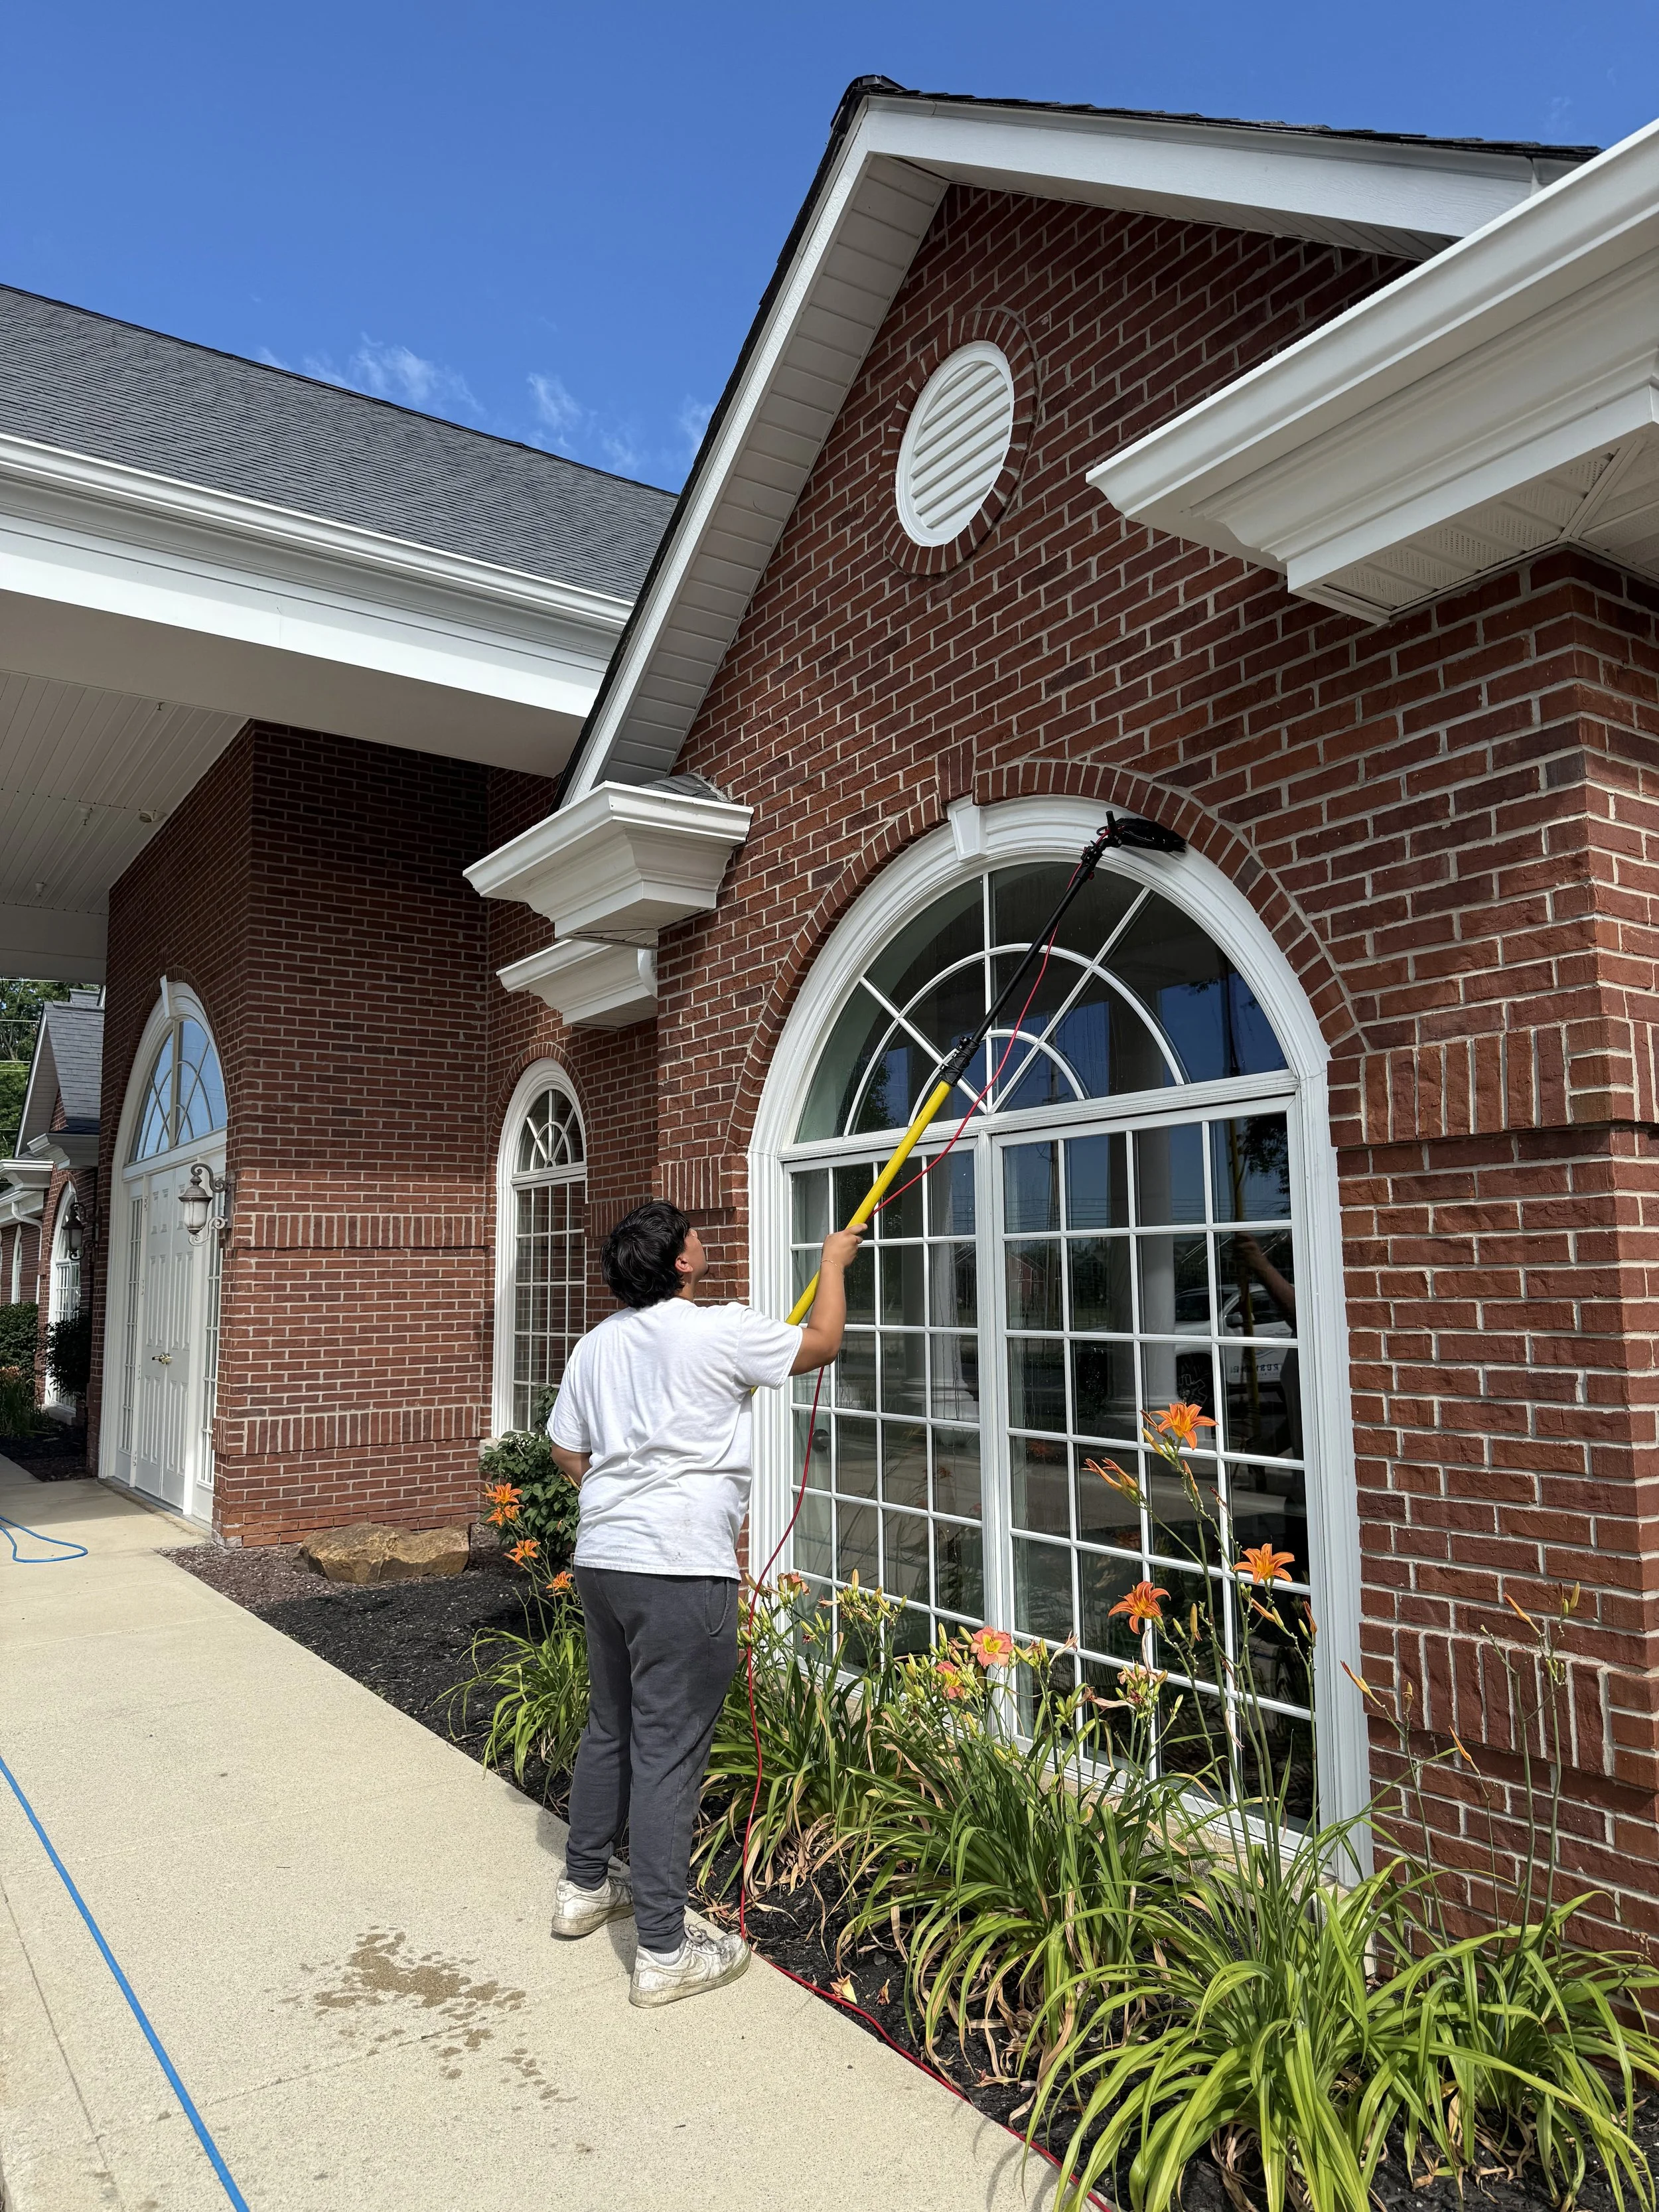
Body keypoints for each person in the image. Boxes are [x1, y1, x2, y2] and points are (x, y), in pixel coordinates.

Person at [544, 1197, 864, 2008]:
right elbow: (822, 1343)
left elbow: (563, 1446)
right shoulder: (720, 1329)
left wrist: (621, 1497)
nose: (702, 1238)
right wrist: (831, 1265)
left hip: (605, 1559)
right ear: (680, 1262)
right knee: (668, 1752)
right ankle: (662, 1950)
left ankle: (584, 1889)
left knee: (611, 1725)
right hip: (681, 1571)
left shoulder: (595, 1345)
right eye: (693, 1233)